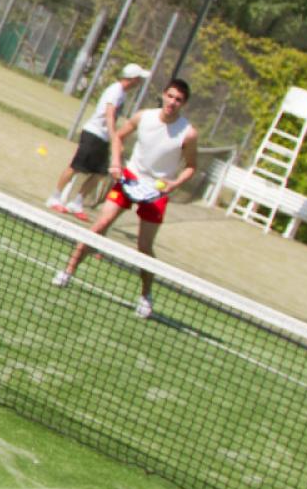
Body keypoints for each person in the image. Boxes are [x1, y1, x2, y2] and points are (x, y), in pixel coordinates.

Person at [53, 78, 200, 320]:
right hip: (129, 179)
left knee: (144, 247)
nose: (173, 102)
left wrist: (174, 183)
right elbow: (119, 137)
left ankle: (145, 296)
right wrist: (115, 162)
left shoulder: (188, 133)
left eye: (178, 99)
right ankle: (67, 271)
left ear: (183, 104)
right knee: (99, 225)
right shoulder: (144, 116)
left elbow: (191, 166)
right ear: (163, 94)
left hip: (156, 191)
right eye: (170, 96)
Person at [47, 63, 149, 219]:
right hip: (93, 134)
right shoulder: (115, 91)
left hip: (103, 137)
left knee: (100, 172)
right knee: (75, 167)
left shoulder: (122, 93)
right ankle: (54, 198)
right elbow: (109, 114)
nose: (140, 83)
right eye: (138, 79)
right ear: (132, 79)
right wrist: (115, 138)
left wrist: (111, 138)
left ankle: (76, 203)